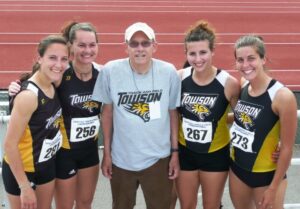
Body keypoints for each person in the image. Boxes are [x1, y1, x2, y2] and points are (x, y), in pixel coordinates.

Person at [8, 21, 102, 209]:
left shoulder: (103, 73)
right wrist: (17, 86)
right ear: (72, 47)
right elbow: (39, 79)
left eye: (92, 45)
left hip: (90, 151)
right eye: (81, 45)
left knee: (85, 203)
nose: (87, 50)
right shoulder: (61, 74)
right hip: (64, 153)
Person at [92, 22, 181, 209]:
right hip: (121, 160)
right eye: (134, 43)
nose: (140, 48)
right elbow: (107, 114)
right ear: (126, 47)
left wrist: (174, 153)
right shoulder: (111, 71)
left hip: (158, 159)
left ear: (154, 46)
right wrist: (107, 154)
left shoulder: (168, 72)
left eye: (145, 43)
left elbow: (173, 113)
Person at [175, 20, 240, 209]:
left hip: (216, 154)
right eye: (192, 53)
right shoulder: (179, 78)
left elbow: (245, 120)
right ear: (186, 54)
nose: (198, 59)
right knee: (187, 206)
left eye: (203, 52)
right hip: (185, 153)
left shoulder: (229, 83)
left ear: (212, 51)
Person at [229, 35, 297, 209]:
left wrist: (273, 188)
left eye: (251, 58)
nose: (245, 65)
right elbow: (243, 119)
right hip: (238, 170)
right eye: (240, 60)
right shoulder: (243, 85)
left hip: (267, 176)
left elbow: (288, 148)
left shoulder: (282, 96)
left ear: (263, 59)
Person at [2, 35, 69, 209]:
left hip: (46, 164)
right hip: (23, 171)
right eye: (52, 58)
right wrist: (24, 186)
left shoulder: (54, 82)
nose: (59, 64)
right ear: (39, 58)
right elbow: (9, 145)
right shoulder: (28, 97)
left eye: (64, 59)